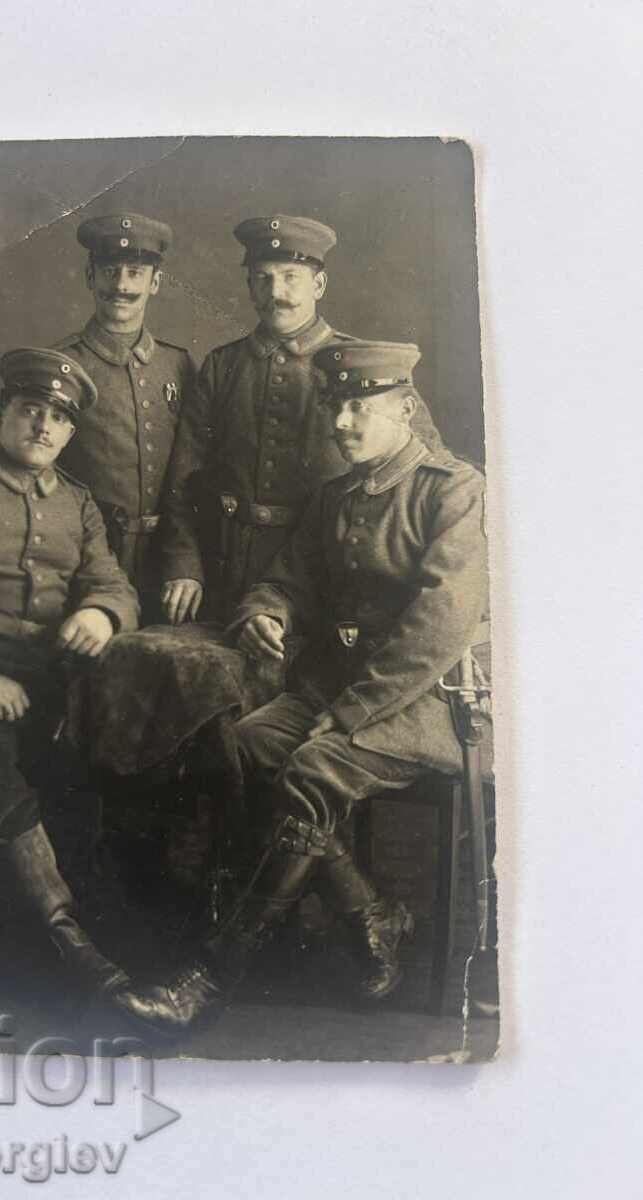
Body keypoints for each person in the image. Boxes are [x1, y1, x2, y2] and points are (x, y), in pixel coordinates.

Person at [122, 339, 489, 1034]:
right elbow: (287, 580)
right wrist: (267, 612)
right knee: (246, 744)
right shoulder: (334, 497)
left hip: (424, 703)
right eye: (336, 407)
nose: (341, 423)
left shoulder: (452, 491)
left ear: (405, 408)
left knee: (314, 767)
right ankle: (370, 912)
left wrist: (350, 713)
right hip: (335, 691)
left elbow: (438, 626)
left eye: (359, 407)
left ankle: (210, 975)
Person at [0, 347, 145, 1011]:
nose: (43, 426)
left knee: (92, 778)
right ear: (1, 413)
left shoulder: (77, 503)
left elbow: (113, 583)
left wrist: (102, 612)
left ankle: (111, 942)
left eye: (59, 417)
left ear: (70, 432)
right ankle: (68, 943)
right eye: (31, 410)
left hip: (51, 685)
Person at [0, 213, 197, 620]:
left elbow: (191, 474)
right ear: (90, 278)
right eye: (109, 272)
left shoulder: (176, 365)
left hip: (165, 572)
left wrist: (186, 563)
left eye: (135, 273)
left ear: (155, 282)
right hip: (78, 565)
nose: (121, 285)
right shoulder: (59, 365)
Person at [159, 214, 358, 625]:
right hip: (228, 568)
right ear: (249, 287)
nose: (276, 293)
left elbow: (418, 467)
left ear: (319, 285)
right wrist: (185, 563)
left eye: (290, 278)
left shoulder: (359, 366)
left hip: (324, 569)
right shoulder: (222, 365)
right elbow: (184, 477)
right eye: (263, 279)